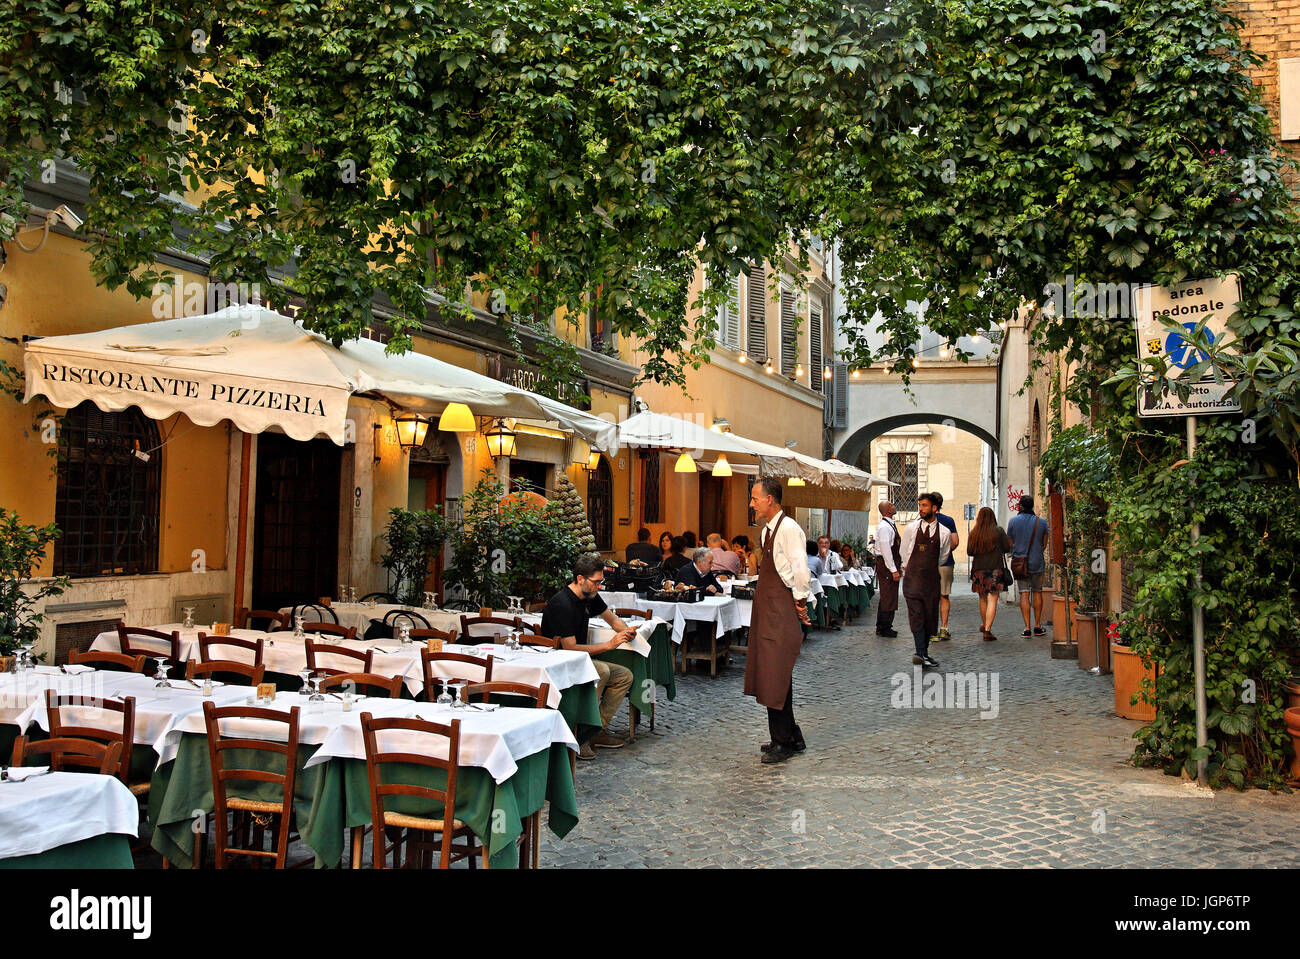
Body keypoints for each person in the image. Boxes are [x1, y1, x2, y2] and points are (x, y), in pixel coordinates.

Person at [743, 477, 812, 765]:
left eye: (755, 498)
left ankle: (784, 741)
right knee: (773, 674)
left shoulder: (789, 530)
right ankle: (788, 736)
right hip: (769, 610)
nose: (751, 503)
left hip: (779, 610)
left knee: (777, 673)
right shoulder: (767, 532)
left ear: (770, 499)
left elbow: (799, 569)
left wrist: (801, 601)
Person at [540, 554, 636, 760]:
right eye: (596, 582)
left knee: (624, 675)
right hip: (559, 662)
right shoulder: (562, 604)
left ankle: (596, 731)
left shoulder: (590, 596)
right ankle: (581, 737)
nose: (599, 586)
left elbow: (611, 619)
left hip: (578, 660)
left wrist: (628, 631)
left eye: (601, 582)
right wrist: (610, 644)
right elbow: (570, 648)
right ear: (580, 579)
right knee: (601, 670)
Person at [900, 492, 952, 669]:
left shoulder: (944, 532)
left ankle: (923, 653)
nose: (921, 509)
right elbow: (904, 551)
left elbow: (943, 556)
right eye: (920, 505)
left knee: (930, 616)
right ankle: (919, 652)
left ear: (934, 508)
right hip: (913, 581)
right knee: (917, 615)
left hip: (931, 582)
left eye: (924, 506)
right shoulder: (911, 529)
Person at [1007, 493, 1051, 637]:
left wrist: (1018, 549)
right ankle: (1038, 625)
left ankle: (1027, 627)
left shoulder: (1013, 522)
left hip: (1020, 563)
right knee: (1037, 592)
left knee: (1024, 594)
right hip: (1037, 561)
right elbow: (1044, 544)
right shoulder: (1042, 523)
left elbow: (1010, 543)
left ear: (1020, 506)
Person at [967, 506, 1013, 641]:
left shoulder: (974, 532)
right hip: (995, 569)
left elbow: (969, 551)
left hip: (978, 569)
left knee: (982, 598)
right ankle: (987, 629)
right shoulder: (998, 531)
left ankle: (986, 626)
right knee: (993, 598)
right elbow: (1006, 548)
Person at [929, 491, 960, 642]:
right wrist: (946, 551)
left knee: (931, 597)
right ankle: (944, 628)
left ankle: (932, 630)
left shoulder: (925, 520)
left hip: (929, 563)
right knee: (944, 596)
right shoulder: (949, 520)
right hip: (947, 562)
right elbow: (955, 541)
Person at [874, 502, 901, 637]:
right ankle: (884, 627)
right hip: (886, 565)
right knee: (888, 595)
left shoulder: (889, 524)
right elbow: (886, 550)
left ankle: (884, 625)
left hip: (888, 563)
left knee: (889, 595)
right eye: (892, 505)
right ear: (888, 510)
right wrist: (893, 569)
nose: (894, 506)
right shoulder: (885, 527)